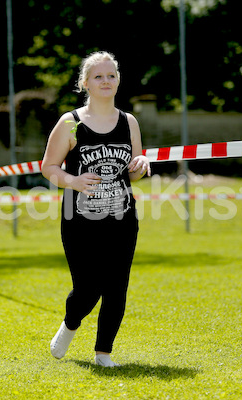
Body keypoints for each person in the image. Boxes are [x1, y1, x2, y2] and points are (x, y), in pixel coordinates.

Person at [41, 51, 151, 367]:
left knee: (116, 287)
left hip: (122, 218)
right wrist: (73, 180)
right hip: (79, 220)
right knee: (88, 288)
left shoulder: (129, 121)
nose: (106, 81)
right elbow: (49, 167)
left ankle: (103, 353)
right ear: (86, 83)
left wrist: (141, 165)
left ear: (118, 80)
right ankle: (69, 325)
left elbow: (132, 171)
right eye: (99, 76)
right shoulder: (71, 123)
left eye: (111, 75)